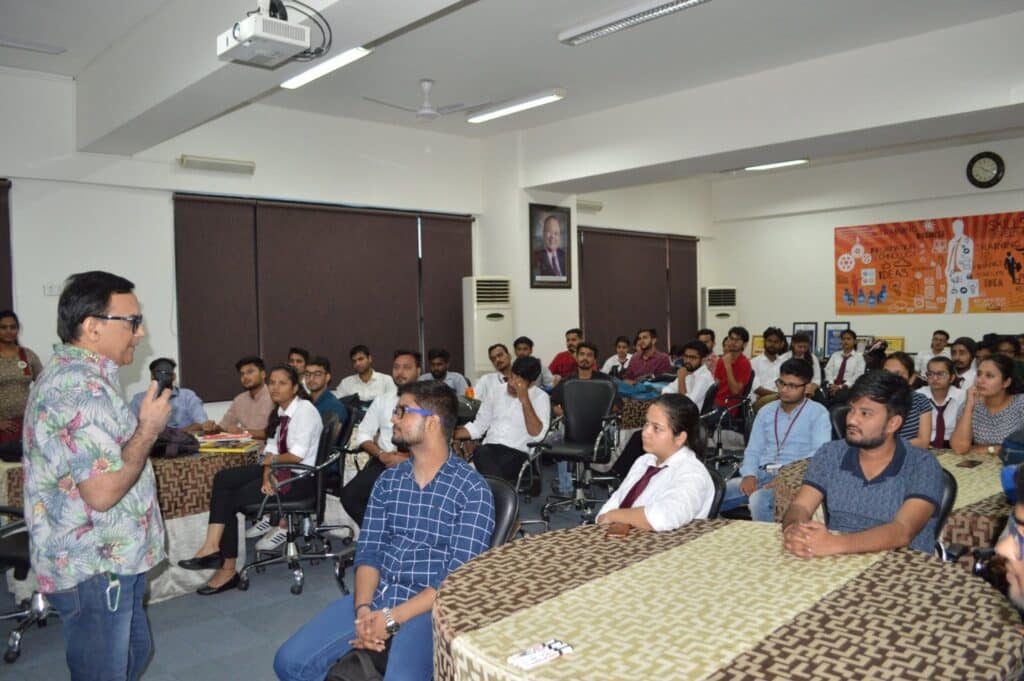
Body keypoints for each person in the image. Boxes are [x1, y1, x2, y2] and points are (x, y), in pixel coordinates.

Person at [273, 381, 494, 681]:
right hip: (380, 594)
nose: (393, 419)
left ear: (432, 422)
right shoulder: (389, 481)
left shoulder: (471, 489)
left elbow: (456, 578)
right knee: (289, 662)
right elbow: (370, 552)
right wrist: (364, 610)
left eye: (402, 411)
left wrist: (390, 619)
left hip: (432, 608)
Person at [23, 271, 172, 680]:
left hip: (112, 559)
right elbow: (103, 492)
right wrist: (148, 429)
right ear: (92, 327)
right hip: (94, 566)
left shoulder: (89, 379)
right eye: (132, 321)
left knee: (135, 653)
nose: (141, 333)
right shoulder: (78, 388)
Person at [178, 365, 322, 593]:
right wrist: (266, 475)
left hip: (297, 480)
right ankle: (211, 546)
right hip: (280, 470)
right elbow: (271, 450)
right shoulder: (281, 411)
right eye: (272, 383)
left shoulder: (305, 411)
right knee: (223, 478)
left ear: (295, 387)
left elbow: (296, 455)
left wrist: (270, 468)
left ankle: (227, 570)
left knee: (231, 498)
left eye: (282, 383)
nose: (275, 387)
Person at [781, 371, 944, 557]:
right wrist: (794, 530)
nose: (851, 419)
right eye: (851, 409)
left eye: (865, 413)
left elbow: (902, 531)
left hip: (902, 565)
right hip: (839, 561)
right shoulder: (830, 454)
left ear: (893, 423)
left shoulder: (922, 464)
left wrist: (835, 543)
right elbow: (801, 506)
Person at [720, 359, 831, 522]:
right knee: (716, 494)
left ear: (807, 387)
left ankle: (771, 539)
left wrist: (785, 479)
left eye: (792, 386)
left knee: (759, 500)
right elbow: (753, 449)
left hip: (795, 478)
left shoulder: (818, 413)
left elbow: (819, 455)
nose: (784, 390)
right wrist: (749, 474)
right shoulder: (766, 411)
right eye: (781, 383)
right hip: (762, 473)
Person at [596, 394, 714, 531]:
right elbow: (616, 500)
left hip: (664, 543)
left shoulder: (692, 474)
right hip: (621, 535)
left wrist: (613, 515)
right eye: (646, 423)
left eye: (656, 428)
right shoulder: (645, 461)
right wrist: (606, 517)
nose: (645, 432)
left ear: (680, 438)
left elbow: (663, 517)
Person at [344, 350, 422, 526]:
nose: (400, 372)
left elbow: (437, 440)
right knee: (350, 496)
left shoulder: (429, 401)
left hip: (417, 463)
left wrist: (408, 459)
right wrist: (381, 455)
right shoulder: (383, 400)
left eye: (406, 368)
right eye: (396, 367)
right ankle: (378, 534)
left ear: (418, 371)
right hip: (384, 461)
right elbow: (363, 433)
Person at [455, 356, 550, 483]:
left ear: (531, 383)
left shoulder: (541, 398)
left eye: (519, 383)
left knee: (479, 458)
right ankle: (499, 490)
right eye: (511, 377)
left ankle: (493, 487)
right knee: (481, 453)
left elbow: (537, 435)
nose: (511, 383)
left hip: (518, 455)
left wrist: (525, 400)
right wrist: (451, 434)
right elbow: (479, 427)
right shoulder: (496, 391)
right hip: (488, 451)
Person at [950, 354, 1024, 456]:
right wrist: (969, 406)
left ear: (1006, 382)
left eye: (989, 376)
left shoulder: (1020, 404)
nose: (980, 380)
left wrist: (986, 449)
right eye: (979, 374)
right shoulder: (970, 405)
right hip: (980, 464)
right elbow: (959, 448)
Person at [0, 310, 42, 460]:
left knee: (26, 465)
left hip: (27, 423)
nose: (8, 331)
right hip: (3, 427)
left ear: (18, 329)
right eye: (3, 327)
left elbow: (43, 385)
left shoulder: (28, 355)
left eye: (13, 327)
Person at [129, 357, 212, 433]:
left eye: (167, 373)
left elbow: (202, 424)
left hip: (185, 443)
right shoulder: (139, 400)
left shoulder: (187, 396)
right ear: (152, 376)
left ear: (174, 376)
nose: (163, 377)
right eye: (159, 373)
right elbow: (130, 429)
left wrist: (170, 436)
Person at [549, 341, 617, 418]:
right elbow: (551, 403)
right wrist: (565, 415)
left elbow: (617, 404)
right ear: (576, 358)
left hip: (599, 422)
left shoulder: (606, 381)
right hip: (571, 423)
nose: (585, 358)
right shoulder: (566, 382)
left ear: (594, 360)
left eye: (589, 355)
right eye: (582, 354)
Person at [212, 356, 274, 439]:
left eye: (250, 372)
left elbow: (275, 433)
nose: (245, 377)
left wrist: (244, 432)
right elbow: (224, 427)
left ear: (263, 374)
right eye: (242, 374)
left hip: (268, 446)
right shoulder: (239, 400)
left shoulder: (274, 396)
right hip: (244, 445)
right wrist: (213, 428)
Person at [882, 352, 932, 449]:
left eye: (898, 374)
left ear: (911, 379)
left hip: (910, 454)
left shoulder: (920, 401)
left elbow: (923, 442)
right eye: (886, 373)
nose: (890, 379)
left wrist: (887, 446)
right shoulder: (873, 401)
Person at [916, 356, 963, 449]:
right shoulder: (917, 396)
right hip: (925, 444)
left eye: (941, 374)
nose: (935, 378)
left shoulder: (962, 397)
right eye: (930, 374)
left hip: (954, 445)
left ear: (952, 378)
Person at [661, 340, 715, 410]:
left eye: (693, 357)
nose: (688, 360)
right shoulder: (689, 371)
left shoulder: (704, 377)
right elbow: (667, 389)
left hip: (690, 414)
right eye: (686, 356)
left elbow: (687, 404)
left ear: (703, 360)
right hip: (678, 409)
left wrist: (681, 378)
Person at [712, 326, 753, 413]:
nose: (733, 342)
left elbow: (735, 392)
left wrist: (728, 366)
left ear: (744, 344)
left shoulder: (745, 363)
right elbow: (716, 385)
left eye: (737, 340)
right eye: (731, 338)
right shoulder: (721, 360)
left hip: (728, 406)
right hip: (714, 402)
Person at [750, 326, 787, 411]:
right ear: (764, 342)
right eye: (769, 341)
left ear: (781, 344)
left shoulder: (784, 363)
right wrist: (779, 395)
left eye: (776, 342)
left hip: (781, 400)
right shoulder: (753, 362)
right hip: (759, 401)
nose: (772, 344)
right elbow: (757, 389)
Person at [304, 356, 349, 425]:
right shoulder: (303, 401)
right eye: (307, 374)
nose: (311, 379)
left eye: (317, 374)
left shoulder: (334, 408)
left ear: (327, 377)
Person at [944, 218, 975, 315]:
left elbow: (969, 257)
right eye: (954, 227)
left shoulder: (967, 241)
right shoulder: (951, 242)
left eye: (958, 226)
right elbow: (949, 256)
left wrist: (967, 272)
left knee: (963, 293)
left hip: (962, 271)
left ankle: (964, 312)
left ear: (962, 227)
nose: (956, 229)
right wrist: (947, 269)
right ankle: (948, 312)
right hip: (951, 271)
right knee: (951, 293)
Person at [824, 329, 865, 399]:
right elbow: (828, 370)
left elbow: (858, 376)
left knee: (840, 398)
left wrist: (841, 386)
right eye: (843, 339)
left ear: (854, 341)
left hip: (848, 387)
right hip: (832, 384)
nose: (845, 341)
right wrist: (831, 384)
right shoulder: (835, 355)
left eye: (848, 339)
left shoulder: (859, 358)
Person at [779, 331, 822, 397]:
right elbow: (780, 378)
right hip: (789, 388)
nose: (802, 350)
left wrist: (811, 388)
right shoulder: (783, 358)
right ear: (793, 344)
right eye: (800, 347)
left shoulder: (813, 358)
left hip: (808, 389)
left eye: (805, 347)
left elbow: (817, 379)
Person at [533, 214, 567, 278]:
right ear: (543, 233)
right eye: (549, 232)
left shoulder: (565, 256)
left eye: (556, 233)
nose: (552, 237)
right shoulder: (535, 258)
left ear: (559, 236)